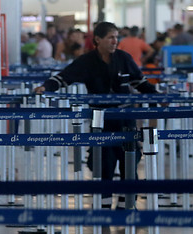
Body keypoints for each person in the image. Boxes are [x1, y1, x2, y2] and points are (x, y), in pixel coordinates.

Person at [34, 21, 159, 207]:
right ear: (98, 40)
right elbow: (64, 77)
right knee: (103, 162)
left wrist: (158, 97)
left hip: (125, 118)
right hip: (101, 119)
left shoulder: (124, 59)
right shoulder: (87, 61)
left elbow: (141, 83)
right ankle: (104, 205)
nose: (115, 41)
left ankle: (127, 206)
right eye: (111, 37)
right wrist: (46, 87)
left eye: (116, 37)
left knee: (130, 161)